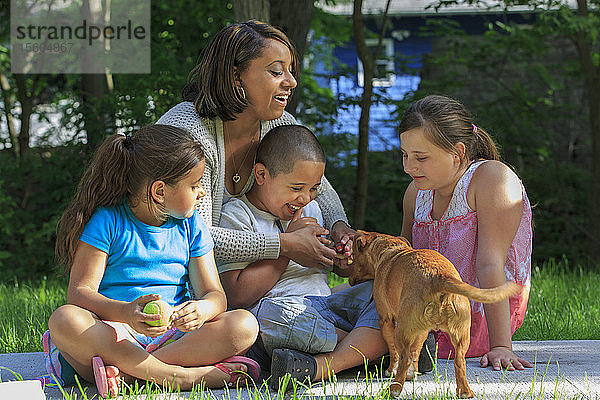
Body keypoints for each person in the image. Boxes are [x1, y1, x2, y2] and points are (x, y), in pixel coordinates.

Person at [43, 125, 260, 398]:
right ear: (160, 191)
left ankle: (129, 375)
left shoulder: (192, 225)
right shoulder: (107, 221)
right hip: (115, 334)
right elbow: (79, 293)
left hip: (172, 337)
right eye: (194, 185)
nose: (202, 192)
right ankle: (181, 376)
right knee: (64, 319)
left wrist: (202, 310)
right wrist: (127, 314)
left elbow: (214, 295)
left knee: (244, 324)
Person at [218, 124, 431, 387]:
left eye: (314, 188)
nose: (305, 198)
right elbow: (237, 296)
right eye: (297, 187)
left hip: (327, 307)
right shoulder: (238, 215)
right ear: (261, 174)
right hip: (284, 316)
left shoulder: (313, 209)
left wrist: (344, 260)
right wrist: (287, 248)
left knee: (385, 288)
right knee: (262, 318)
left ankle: (332, 359)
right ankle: (382, 347)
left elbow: (335, 269)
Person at [156, 20, 354, 274]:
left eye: (291, 70)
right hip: (172, 284)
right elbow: (194, 236)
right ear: (235, 76)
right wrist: (283, 245)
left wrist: (339, 226)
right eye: (276, 72)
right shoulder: (189, 131)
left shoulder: (279, 124)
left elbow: (322, 190)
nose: (292, 82)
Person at [399, 95, 534, 371]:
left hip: (477, 318)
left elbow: (490, 263)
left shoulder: (491, 179)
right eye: (404, 155)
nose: (408, 167)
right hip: (425, 311)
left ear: (458, 153)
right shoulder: (416, 193)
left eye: (421, 157)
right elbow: (404, 256)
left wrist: (501, 347)